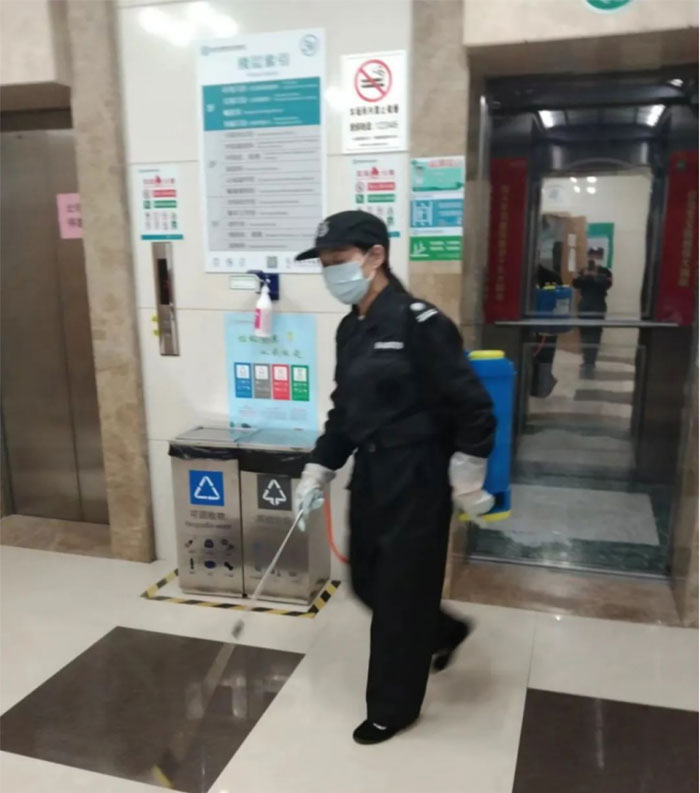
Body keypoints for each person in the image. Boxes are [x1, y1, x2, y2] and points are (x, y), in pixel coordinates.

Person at [293, 211, 496, 745]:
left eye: (338, 260)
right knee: (366, 581)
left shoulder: (421, 322)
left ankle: (392, 708)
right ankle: (445, 630)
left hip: (418, 474)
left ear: (375, 256)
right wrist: (319, 466)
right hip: (372, 471)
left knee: (401, 598)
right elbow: (345, 411)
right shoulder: (351, 328)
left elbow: (474, 406)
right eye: (325, 264)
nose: (331, 272)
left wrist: (468, 474)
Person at [573, 259, 613, 377]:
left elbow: (607, 285)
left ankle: (591, 361)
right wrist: (584, 275)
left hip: (598, 305)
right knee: (584, 333)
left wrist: (595, 276)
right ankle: (586, 359)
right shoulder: (583, 271)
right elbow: (575, 283)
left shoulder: (605, 272)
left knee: (595, 334)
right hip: (585, 305)